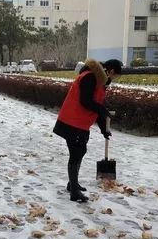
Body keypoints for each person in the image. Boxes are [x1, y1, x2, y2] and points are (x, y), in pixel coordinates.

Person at [53, 58, 123, 202]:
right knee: (76, 153)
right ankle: (74, 191)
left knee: (80, 151)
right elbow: (85, 101)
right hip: (72, 121)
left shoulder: (99, 81)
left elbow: (96, 106)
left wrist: (104, 129)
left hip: (80, 123)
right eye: (116, 75)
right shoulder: (90, 77)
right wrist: (102, 110)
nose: (115, 79)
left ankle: (72, 183)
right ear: (111, 71)